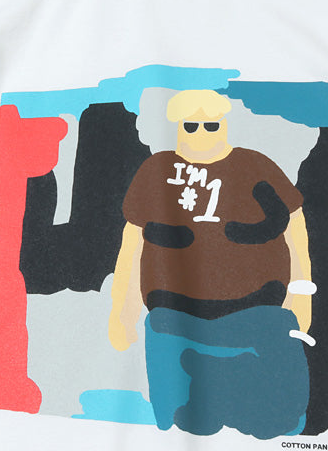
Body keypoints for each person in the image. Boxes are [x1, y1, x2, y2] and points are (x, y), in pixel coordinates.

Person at [108, 89, 315, 439]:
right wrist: (122, 311)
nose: (201, 134)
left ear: (225, 124)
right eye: (191, 126)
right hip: (176, 313)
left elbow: (296, 228)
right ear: (177, 127)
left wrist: (302, 294)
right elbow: (132, 244)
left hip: (258, 309)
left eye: (211, 125)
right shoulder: (156, 170)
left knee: (281, 421)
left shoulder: (256, 165)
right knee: (180, 424)